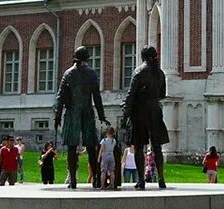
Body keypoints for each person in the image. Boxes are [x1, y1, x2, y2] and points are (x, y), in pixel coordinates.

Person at [54, 46, 110, 189]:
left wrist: (57, 116)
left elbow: (60, 97)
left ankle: (73, 180)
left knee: (72, 148)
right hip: (87, 112)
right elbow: (97, 97)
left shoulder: (68, 73)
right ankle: (96, 179)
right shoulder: (91, 74)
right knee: (91, 147)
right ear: (87, 58)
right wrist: (102, 115)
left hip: (72, 113)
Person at [119, 45, 170, 190]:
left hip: (140, 111)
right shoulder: (160, 73)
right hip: (155, 111)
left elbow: (131, 94)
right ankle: (161, 179)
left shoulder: (139, 71)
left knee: (139, 146)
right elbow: (162, 95)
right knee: (157, 147)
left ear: (143, 57)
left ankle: (141, 180)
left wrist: (125, 113)